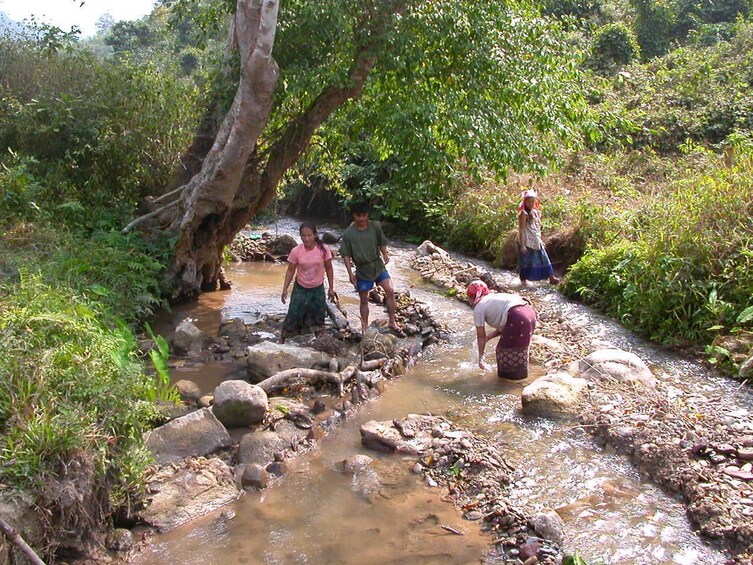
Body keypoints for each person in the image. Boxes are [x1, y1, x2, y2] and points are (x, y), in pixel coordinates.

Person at [339, 202, 400, 334]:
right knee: (364, 299)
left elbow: (381, 242)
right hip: (362, 269)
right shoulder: (349, 233)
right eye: (358, 216)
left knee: (390, 290)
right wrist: (350, 273)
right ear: (353, 215)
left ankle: (392, 321)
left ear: (367, 215)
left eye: (364, 215)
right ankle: (365, 326)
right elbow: (345, 255)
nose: (361, 219)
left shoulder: (375, 227)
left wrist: (385, 253)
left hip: (377, 265)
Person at [467, 280, 537, 380]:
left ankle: (507, 384)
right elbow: (505, 327)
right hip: (530, 313)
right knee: (521, 349)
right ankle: (520, 381)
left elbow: (480, 336)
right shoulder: (494, 298)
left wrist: (480, 358)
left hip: (517, 317)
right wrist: (489, 337)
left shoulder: (479, 308)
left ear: (470, 296)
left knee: (504, 352)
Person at [280, 222, 336, 343]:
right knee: (293, 313)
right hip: (301, 287)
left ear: (315, 235)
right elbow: (290, 270)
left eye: (309, 235)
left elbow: (329, 269)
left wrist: (331, 288)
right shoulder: (296, 251)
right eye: (303, 236)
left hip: (317, 288)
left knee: (318, 315)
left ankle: (320, 341)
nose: (306, 239)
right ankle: (282, 340)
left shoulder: (323, 249)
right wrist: (284, 289)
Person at [517, 188, 559, 286]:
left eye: (533, 202)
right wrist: (523, 245)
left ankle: (551, 277)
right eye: (529, 202)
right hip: (526, 241)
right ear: (525, 202)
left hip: (536, 241)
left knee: (544, 258)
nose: (531, 204)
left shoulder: (535, 212)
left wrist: (540, 239)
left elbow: (537, 228)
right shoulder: (523, 214)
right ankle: (523, 282)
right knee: (525, 262)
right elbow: (522, 230)